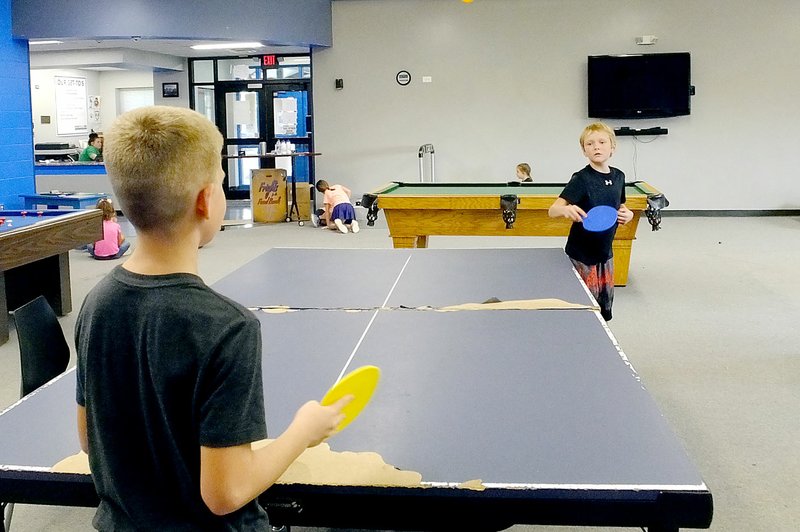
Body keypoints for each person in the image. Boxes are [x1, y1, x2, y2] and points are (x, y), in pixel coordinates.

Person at [75, 106, 350, 530]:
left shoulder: (95, 304)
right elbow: (225, 493)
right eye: (221, 183)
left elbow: (90, 442)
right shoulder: (227, 327)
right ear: (205, 201)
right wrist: (303, 431)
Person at [548, 122, 633, 321]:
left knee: (604, 306)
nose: (596, 147)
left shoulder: (619, 177)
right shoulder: (581, 179)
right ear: (584, 150)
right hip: (582, 255)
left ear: (612, 147)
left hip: (605, 253)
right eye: (590, 144)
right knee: (585, 306)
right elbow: (553, 210)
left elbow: (620, 206)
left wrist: (628, 214)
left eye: (602, 142)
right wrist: (566, 209)